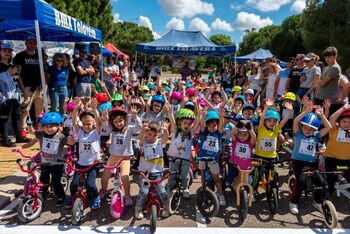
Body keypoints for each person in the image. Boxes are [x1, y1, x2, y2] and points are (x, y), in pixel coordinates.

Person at [289, 101, 331, 215]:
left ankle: (317, 201)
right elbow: (295, 121)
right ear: (301, 126)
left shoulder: (316, 136)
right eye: (305, 127)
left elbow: (328, 127)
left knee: (321, 182)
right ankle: (294, 202)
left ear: (314, 130)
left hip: (312, 163)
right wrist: (306, 112)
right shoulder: (298, 133)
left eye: (310, 129)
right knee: (301, 181)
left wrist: (322, 115)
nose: (307, 130)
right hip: (298, 162)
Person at [22, 112, 69, 207]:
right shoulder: (41, 135)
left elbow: (71, 143)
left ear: (58, 126)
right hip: (45, 162)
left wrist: (67, 134)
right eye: (46, 126)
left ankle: (61, 196)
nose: (49, 129)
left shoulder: (61, 136)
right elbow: (31, 132)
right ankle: (45, 192)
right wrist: (29, 124)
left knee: (56, 181)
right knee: (43, 180)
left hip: (57, 163)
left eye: (52, 126)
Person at [99, 105, 141, 206]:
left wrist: (135, 117)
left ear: (125, 120)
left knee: (125, 177)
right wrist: (104, 119)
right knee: (105, 175)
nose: (118, 124)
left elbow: (138, 127)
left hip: (125, 158)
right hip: (113, 156)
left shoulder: (129, 128)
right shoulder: (112, 130)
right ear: (112, 123)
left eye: (121, 121)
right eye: (116, 122)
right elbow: (105, 127)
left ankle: (127, 195)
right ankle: (104, 190)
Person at [66, 97, 102, 209]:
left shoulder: (97, 132)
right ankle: (72, 197)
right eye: (84, 123)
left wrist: (95, 109)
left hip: (93, 163)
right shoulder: (80, 131)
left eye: (89, 123)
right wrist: (76, 108)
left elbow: (99, 121)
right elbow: (73, 121)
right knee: (74, 184)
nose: (86, 126)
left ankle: (96, 197)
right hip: (80, 163)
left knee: (90, 184)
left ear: (93, 123)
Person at [134, 121, 170, 219]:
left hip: (157, 173)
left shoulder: (159, 142)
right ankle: (138, 208)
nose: (151, 137)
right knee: (144, 191)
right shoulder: (143, 143)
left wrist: (166, 131)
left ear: (158, 135)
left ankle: (166, 207)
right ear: (146, 133)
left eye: (155, 135)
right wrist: (142, 130)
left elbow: (165, 138)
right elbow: (141, 138)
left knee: (162, 192)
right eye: (149, 134)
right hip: (145, 174)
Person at [13, 36, 43, 139]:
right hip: (26, 87)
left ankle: (40, 130)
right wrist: (23, 90)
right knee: (25, 110)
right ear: (26, 43)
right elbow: (18, 75)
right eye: (30, 43)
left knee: (39, 111)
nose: (32, 45)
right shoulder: (20, 56)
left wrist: (44, 87)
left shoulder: (39, 56)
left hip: (38, 87)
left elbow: (43, 72)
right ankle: (23, 131)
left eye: (34, 43)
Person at [198, 109, 226, 206]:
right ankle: (204, 191)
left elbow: (221, 126)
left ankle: (220, 194)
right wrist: (201, 115)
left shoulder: (218, 133)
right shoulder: (204, 132)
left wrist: (221, 117)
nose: (212, 128)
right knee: (202, 176)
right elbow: (201, 124)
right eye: (209, 126)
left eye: (214, 126)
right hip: (202, 158)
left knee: (216, 178)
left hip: (213, 160)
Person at [167, 108, 196, 199]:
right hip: (173, 157)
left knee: (185, 175)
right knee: (172, 174)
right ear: (179, 122)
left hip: (186, 158)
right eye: (185, 122)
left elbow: (198, 121)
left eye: (189, 123)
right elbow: (172, 119)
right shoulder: (175, 130)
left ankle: (185, 188)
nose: (187, 125)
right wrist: (169, 111)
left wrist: (200, 114)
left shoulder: (191, 132)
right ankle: (169, 188)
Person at [323, 104, 350, 194]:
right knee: (331, 177)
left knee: (348, 174)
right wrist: (343, 108)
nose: (347, 124)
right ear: (339, 122)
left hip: (346, 160)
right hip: (332, 158)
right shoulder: (334, 129)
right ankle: (330, 190)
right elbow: (331, 119)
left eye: (349, 123)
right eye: (344, 121)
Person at [0, 43, 22, 146]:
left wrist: (23, 92)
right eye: (4, 51)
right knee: (4, 117)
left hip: (15, 95)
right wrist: (8, 74)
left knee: (17, 115)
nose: (7, 53)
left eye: (9, 51)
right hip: (3, 96)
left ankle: (19, 136)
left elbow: (18, 79)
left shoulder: (11, 65)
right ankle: (4, 139)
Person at [315, 47, 342, 116]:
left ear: (335, 56)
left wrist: (319, 80)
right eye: (326, 57)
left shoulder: (335, 68)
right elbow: (319, 83)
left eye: (329, 57)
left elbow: (322, 83)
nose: (327, 59)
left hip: (326, 100)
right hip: (319, 97)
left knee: (323, 122)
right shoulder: (325, 68)